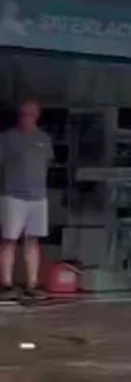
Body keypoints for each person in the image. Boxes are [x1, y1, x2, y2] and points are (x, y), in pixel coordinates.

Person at [0, 99, 53, 300]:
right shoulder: (7, 138)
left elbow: (46, 163)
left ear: (37, 115)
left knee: (33, 241)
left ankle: (32, 284)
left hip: (38, 197)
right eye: (23, 114)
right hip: (13, 196)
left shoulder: (44, 139)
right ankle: (6, 284)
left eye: (30, 114)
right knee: (9, 240)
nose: (26, 118)